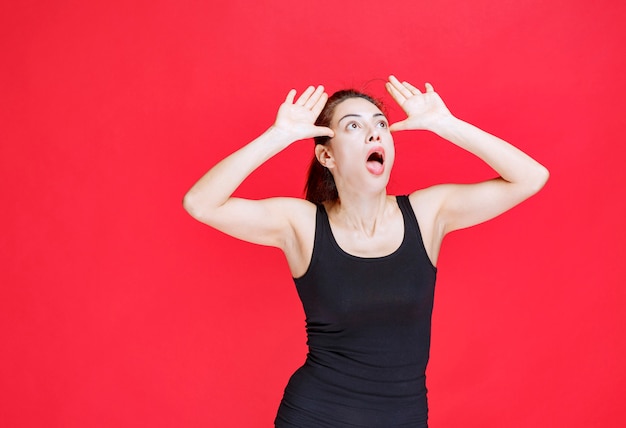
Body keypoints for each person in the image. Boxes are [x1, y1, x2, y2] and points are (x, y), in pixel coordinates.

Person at [183, 75, 549, 427]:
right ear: (326, 155)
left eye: (381, 124)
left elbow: (531, 177)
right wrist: (277, 136)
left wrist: (445, 124)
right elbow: (201, 204)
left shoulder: (427, 214)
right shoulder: (302, 224)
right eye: (354, 126)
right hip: (315, 417)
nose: (375, 131)